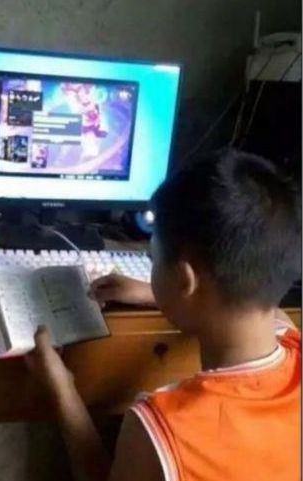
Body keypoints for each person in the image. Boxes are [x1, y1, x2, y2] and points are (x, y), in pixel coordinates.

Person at [25, 149, 301, 481]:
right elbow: (270, 311)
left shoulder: (163, 428)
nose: (152, 265)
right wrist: (154, 292)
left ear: (186, 280)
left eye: (153, 258)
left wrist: (62, 389)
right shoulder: (293, 342)